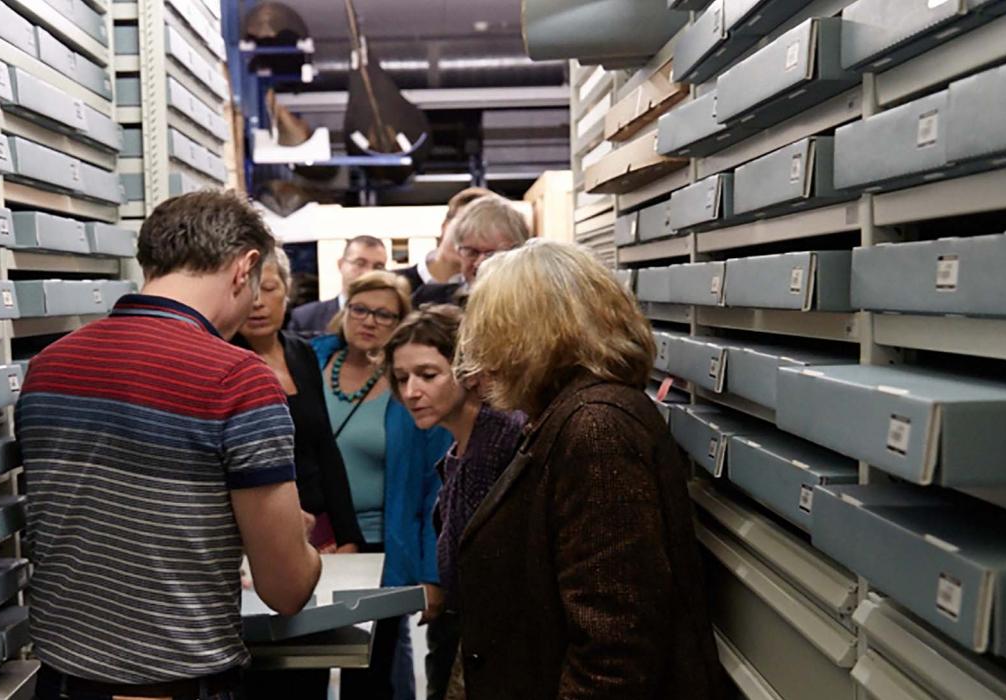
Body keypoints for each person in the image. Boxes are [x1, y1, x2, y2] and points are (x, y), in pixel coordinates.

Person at [19, 190, 322, 700]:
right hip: (180, 685)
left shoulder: (49, 365)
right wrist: (296, 540)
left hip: (60, 682)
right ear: (244, 268)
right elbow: (286, 589)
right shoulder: (238, 378)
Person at [450, 239, 731, 700]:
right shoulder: (569, 415)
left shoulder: (595, 429)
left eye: (490, 331)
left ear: (526, 337)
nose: (481, 351)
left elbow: (615, 645)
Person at [311, 270, 452, 700]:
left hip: (380, 548)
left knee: (370, 674)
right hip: (315, 542)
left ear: (399, 326)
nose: (368, 320)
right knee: (302, 663)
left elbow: (436, 488)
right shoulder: (309, 361)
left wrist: (431, 576)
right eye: (360, 309)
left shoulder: (411, 387)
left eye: (384, 315)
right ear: (344, 310)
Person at [234, 252, 361, 700]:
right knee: (267, 670)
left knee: (314, 662)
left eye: (269, 289)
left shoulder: (301, 353)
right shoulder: (227, 361)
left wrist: (348, 534)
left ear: (288, 293)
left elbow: (326, 446)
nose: (258, 302)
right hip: (257, 535)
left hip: (319, 531)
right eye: (249, 290)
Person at [382, 306, 525, 700]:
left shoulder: (499, 441)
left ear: (467, 369)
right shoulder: (463, 446)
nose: (412, 392)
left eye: (428, 375)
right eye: (401, 378)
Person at [415, 196, 530, 308]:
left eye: (491, 254)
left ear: (517, 253)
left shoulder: (535, 305)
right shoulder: (431, 302)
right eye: (471, 252)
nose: (479, 263)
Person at [397, 187, 495, 296]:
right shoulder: (394, 284)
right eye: (463, 226)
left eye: (482, 231)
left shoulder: (489, 294)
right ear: (445, 226)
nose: (471, 238)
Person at [288, 235, 389, 335]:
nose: (368, 272)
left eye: (378, 267)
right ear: (341, 264)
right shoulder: (306, 318)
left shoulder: (392, 319)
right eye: (360, 263)